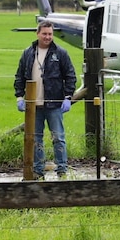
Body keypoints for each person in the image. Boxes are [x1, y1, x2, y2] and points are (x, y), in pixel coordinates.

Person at [14, 21, 77, 179]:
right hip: (34, 106)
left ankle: (62, 170)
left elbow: (70, 76)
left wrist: (68, 97)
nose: (47, 37)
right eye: (44, 34)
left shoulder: (60, 53)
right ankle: (38, 171)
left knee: (58, 137)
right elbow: (20, 76)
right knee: (36, 139)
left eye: (50, 34)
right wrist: (19, 96)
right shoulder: (28, 53)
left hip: (54, 104)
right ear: (38, 33)